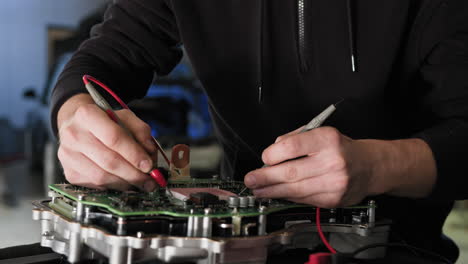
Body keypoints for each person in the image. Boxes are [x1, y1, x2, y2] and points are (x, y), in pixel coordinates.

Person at [51, 1, 468, 263]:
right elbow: (106, 57)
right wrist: (75, 111)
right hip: (237, 242)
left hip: (392, 245)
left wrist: (380, 166)